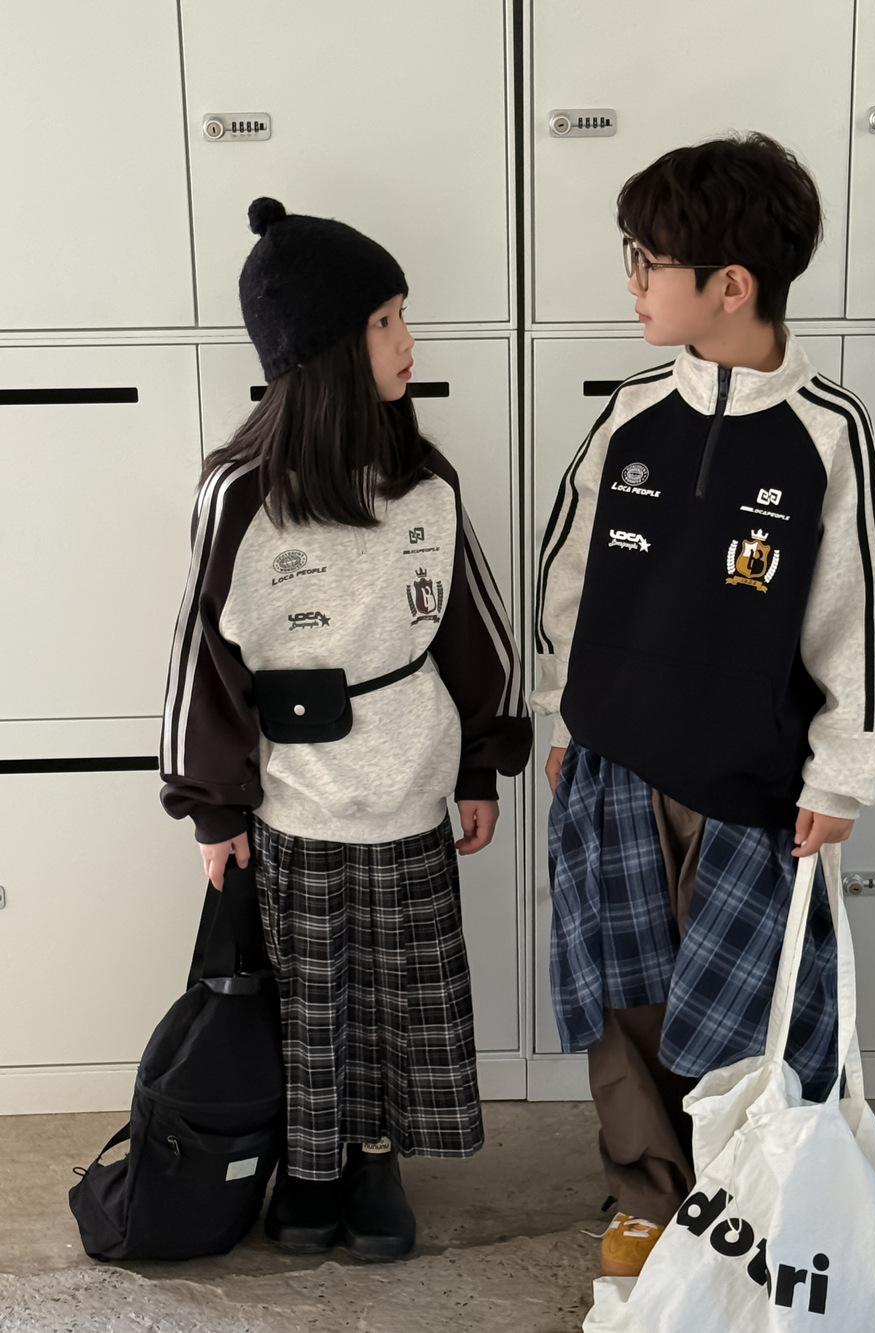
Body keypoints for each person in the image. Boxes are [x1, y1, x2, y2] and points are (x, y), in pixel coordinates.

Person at [531, 133, 875, 1278]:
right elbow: (567, 573)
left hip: (750, 780)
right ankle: (645, 1193)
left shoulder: (828, 431)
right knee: (624, 996)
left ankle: (741, 1197)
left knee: (749, 1002)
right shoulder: (631, 412)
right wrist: (559, 714)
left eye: (648, 262)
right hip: (614, 763)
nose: (632, 284)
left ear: (729, 284)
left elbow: (859, 617)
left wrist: (843, 773)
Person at [159, 197, 532, 1261]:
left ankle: (375, 1161)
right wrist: (212, 807)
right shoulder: (239, 496)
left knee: (399, 1001)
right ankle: (308, 1169)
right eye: (384, 321)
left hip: (409, 792)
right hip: (296, 804)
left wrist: (482, 767)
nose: (408, 341)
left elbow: (474, 632)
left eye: (402, 315)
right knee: (310, 1004)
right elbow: (201, 661)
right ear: (320, 350)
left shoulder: (426, 486)